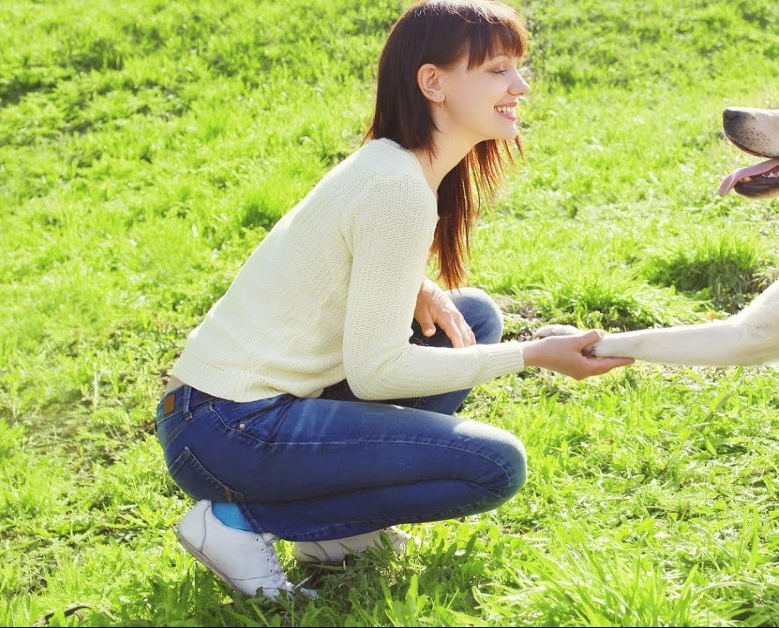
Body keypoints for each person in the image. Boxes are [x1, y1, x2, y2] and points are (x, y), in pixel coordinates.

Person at [154, 0, 632, 600]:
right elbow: (377, 372)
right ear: (433, 83)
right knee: (495, 466)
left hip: (216, 414)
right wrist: (533, 357)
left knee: (471, 316)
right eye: (497, 70)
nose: (521, 86)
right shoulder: (397, 187)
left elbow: (323, 255)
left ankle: (337, 540)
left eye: (518, 68)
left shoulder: (392, 165)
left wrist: (418, 283)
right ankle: (239, 523)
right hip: (229, 429)